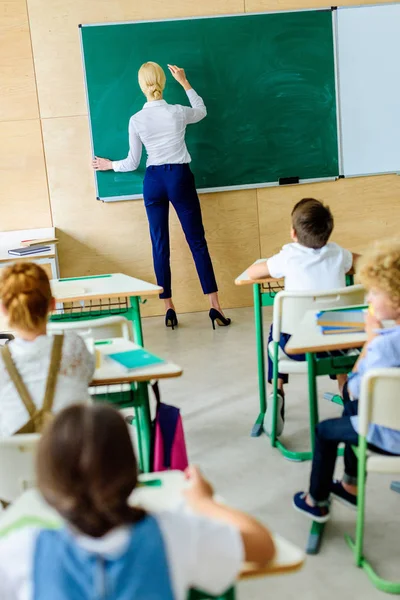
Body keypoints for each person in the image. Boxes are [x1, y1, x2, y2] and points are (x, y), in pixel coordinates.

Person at [0, 404, 275, 599]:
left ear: (47, 481)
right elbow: (263, 546)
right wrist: (204, 502)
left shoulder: (22, 551)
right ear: (132, 471)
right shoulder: (173, 533)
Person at [93, 61, 230, 331]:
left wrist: (110, 165)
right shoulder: (177, 112)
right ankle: (215, 306)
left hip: (153, 181)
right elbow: (201, 111)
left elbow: (132, 163)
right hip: (179, 177)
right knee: (197, 242)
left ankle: (168, 309)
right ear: (163, 83)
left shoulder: (136, 119)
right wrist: (185, 82)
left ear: (141, 86)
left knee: (159, 245)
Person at [293, 240, 400, 522]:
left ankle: (315, 500)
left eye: (375, 293)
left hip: (391, 436)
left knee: (326, 430)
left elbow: (353, 390)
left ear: (396, 301)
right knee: (351, 414)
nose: (369, 300)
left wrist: (370, 342)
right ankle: (350, 485)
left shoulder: (384, 346)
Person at [248, 197, 358, 434]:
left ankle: (276, 391)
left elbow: (253, 273)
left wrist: (259, 266)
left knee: (275, 332)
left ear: (293, 234)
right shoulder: (338, 254)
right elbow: (359, 262)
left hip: (295, 349)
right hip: (336, 346)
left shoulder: (288, 256)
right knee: (334, 324)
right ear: (328, 232)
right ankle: (347, 390)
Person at [0, 262, 95, 437]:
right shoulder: (74, 347)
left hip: (15, 461)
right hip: (72, 457)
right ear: (52, 304)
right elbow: (87, 374)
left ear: (4, 309)